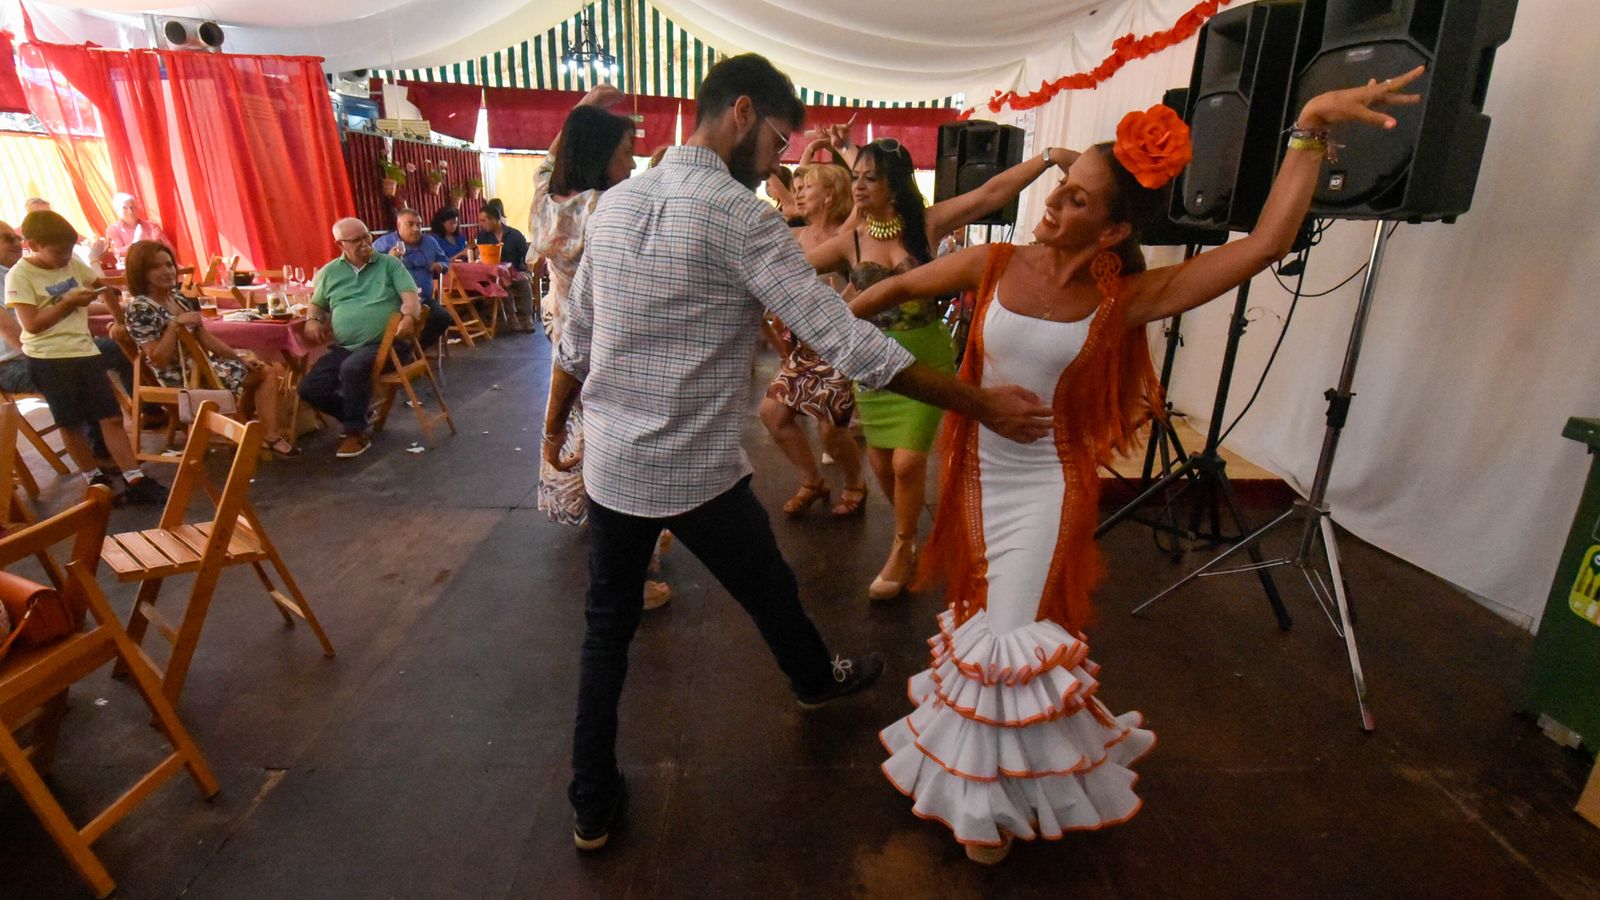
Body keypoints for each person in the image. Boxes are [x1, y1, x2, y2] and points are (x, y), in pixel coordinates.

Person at [858, 69, 1426, 865]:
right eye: (1063, 189)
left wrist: (1308, 130)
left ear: (1115, 233)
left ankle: (985, 803)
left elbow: (1263, 246)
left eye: (1080, 200)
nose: (1055, 204)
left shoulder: (1127, 299)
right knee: (987, 629)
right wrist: (797, 319)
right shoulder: (990, 266)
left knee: (1012, 634)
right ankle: (1011, 777)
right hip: (976, 479)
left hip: (1047, 488)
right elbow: (881, 295)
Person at [542, 54, 1052, 852]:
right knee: (768, 588)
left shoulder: (617, 203)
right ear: (742, 113)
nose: (782, 160)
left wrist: (552, 431)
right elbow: (847, 341)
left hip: (613, 463)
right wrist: (978, 402)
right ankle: (815, 681)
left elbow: (576, 340)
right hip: (694, 470)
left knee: (607, 628)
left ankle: (590, 803)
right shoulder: (740, 218)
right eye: (781, 139)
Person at [806, 135, 1072, 601]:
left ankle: (903, 544)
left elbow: (989, 195)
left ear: (895, 184)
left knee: (909, 462)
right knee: (881, 462)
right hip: (871, 365)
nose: (861, 186)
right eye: (856, 178)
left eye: (871, 178)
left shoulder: (923, 225)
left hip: (925, 358)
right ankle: (910, 538)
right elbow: (792, 270)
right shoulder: (849, 240)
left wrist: (1048, 158)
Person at [531, 87, 673, 609]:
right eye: (624, 152)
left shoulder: (546, 202)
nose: (633, 161)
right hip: (607, 345)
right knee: (619, 460)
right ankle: (629, 577)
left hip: (564, 334)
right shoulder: (606, 208)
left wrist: (583, 110)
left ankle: (628, 549)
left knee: (589, 444)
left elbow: (549, 160)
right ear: (600, 158)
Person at [4, 211, 167, 503]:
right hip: (48, 357)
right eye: (57, 252)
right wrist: (67, 303)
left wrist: (120, 321)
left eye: (69, 250)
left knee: (111, 416)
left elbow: (102, 289)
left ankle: (134, 476)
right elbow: (32, 325)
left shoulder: (72, 262)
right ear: (33, 245)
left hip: (83, 350)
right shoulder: (20, 275)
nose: (65, 258)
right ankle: (94, 479)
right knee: (70, 423)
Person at [122, 240, 299, 458]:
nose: (167, 271)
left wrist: (238, 357)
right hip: (181, 377)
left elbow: (205, 337)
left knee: (262, 368)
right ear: (141, 272)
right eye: (156, 267)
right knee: (264, 374)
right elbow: (158, 359)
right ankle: (255, 435)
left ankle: (263, 434)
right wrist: (174, 326)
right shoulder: (140, 307)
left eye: (169, 264)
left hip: (205, 367)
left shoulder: (176, 296)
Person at [759, 163, 868, 517]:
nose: (800, 193)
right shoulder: (797, 235)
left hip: (840, 343)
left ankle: (855, 484)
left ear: (831, 195)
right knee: (773, 412)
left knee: (830, 429)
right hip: (806, 347)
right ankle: (812, 481)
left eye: (808, 187)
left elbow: (866, 283)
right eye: (799, 187)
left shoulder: (851, 236)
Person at [298, 217, 424, 459]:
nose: (365, 243)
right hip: (347, 347)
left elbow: (411, 300)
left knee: (352, 368)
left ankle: (355, 434)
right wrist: (312, 319)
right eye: (356, 240)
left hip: (388, 345)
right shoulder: (330, 272)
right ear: (340, 245)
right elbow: (316, 304)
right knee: (308, 387)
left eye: (367, 236)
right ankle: (354, 414)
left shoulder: (390, 265)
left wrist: (408, 317)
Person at [372, 209, 452, 347]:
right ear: (399, 226)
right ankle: (399, 351)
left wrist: (441, 265)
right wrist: (388, 261)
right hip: (394, 300)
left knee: (443, 318)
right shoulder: (383, 244)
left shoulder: (429, 242)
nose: (416, 229)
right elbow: (370, 273)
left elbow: (445, 260)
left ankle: (414, 350)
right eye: (410, 224)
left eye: (419, 225)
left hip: (424, 298)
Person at [475, 200, 536, 332]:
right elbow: (480, 257)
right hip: (494, 275)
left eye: (483, 220)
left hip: (515, 271)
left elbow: (528, 256)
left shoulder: (514, 234)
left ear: (495, 219)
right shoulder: (482, 237)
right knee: (503, 283)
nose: (481, 224)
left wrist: (529, 272)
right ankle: (512, 317)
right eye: (480, 221)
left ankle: (528, 318)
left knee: (524, 282)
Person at [104, 193, 172, 262]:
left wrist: (161, 240)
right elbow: (117, 255)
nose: (130, 211)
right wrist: (136, 242)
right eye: (125, 208)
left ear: (138, 208)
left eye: (132, 207)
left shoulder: (152, 226)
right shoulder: (113, 230)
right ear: (117, 211)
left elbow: (172, 253)